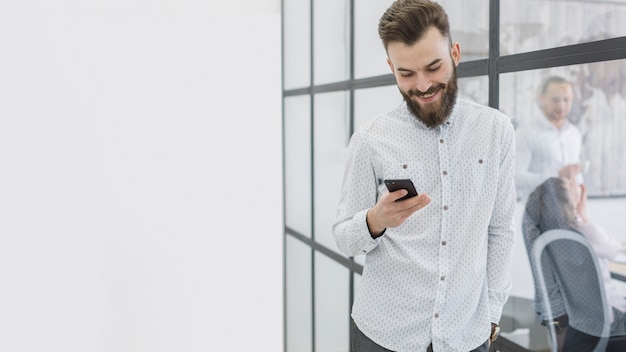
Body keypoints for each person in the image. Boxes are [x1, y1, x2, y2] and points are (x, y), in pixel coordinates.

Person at [331, 1, 516, 351]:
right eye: (407, 74)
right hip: (383, 334)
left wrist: (492, 312)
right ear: (391, 68)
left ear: (455, 53)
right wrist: (375, 219)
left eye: (434, 67)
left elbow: (501, 230)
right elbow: (344, 237)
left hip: (467, 334)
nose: (424, 85)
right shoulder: (371, 138)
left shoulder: (496, 131)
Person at [522, 177, 626, 352]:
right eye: (573, 186)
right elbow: (617, 252)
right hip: (610, 322)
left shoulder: (546, 239)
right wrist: (583, 214)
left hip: (578, 326)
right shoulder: (582, 231)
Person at [515, 76, 583, 201]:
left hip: (570, 215)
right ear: (542, 99)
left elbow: (577, 179)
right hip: (537, 216)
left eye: (566, 100)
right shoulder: (526, 133)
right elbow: (514, 178)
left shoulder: (574, 134)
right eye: (556, 100)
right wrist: (555, 176)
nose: (561, 106)